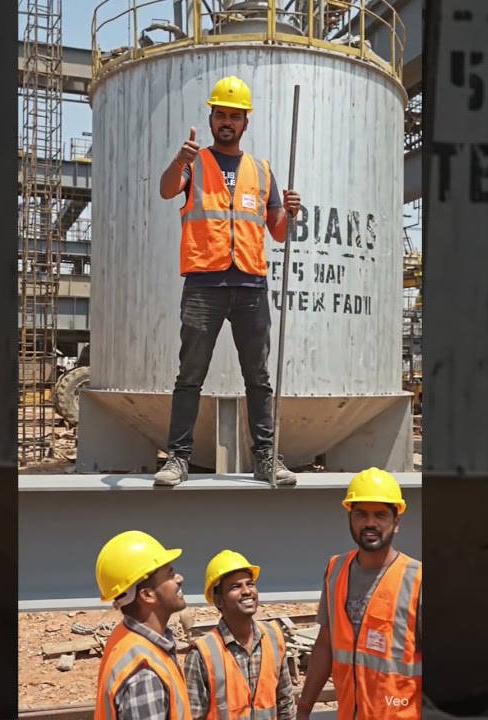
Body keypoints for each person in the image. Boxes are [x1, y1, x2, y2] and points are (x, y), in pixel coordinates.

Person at [153, 75, 301, 489]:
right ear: (211, 116)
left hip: (251, 286)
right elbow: (167, 192)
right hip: (204, 284)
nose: (227, 122)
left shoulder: (262, 170)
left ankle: (266, 458)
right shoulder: (195, 163)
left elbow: (278, 232)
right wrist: (179, 161)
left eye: (234, 116)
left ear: (245, 122)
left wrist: (290, 211)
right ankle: (178, 459)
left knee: (258, 377)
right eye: (221, 114)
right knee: (190, 375)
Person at [295, 468, 422, 719]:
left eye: (380, 515)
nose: (370, 523)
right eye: (361, 514)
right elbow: (326, 642)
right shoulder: (335, 570)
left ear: (396, 523)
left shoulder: (416, 580)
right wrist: (304, 707)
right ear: (350, 519)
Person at [182, 550, 296, 719]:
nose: (247, 591)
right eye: (235, 586)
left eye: (250, 584)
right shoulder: (202, 655)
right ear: (218, 600)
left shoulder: (273, 638)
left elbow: (285, 704)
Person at [94, 530, 193, 719]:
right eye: (169, 573)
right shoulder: (145, 675)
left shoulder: (124, 637)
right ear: (147, 595)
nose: (179, 578)